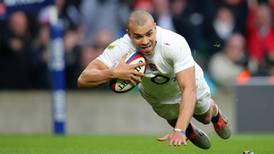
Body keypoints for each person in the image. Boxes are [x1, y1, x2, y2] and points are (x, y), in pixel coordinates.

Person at [78, 10, 231, 149]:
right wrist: (114, 72)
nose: (145, 41)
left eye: (149, 34)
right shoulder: (121, 47)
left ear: (155, 28)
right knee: (173, 117)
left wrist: (179, 130)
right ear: (129, 34)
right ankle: (189, 130)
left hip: (185, 83)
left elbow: (188, 90)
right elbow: (83, 79)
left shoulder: (174, 43)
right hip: (155, 92)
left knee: (204, 117)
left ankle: (216, 115)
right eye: (138, 36)